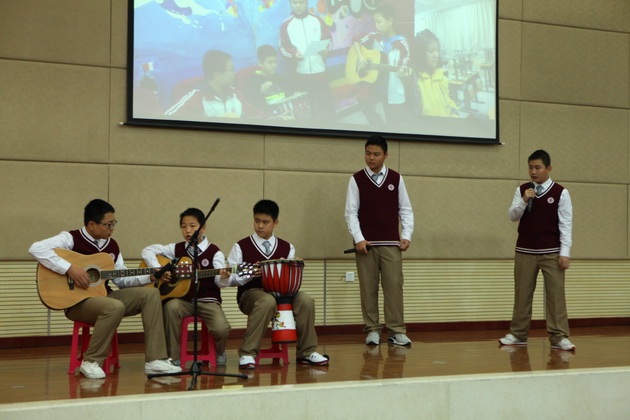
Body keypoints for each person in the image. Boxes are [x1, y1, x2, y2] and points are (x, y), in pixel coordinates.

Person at [28, 199, 182, 379]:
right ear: (92, 225)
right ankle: (91, 361)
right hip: (77, 303)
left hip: (104, 297)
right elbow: (36, 248)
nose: (112, 228)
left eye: (114, 223)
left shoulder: (112, 246)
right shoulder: (70, 239)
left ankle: (155, 360)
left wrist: (150, 277)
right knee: (114, 306)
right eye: (108, 224)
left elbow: (122, 280)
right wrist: (70, 269)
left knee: (151, 294)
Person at [221, 199, 329, 369]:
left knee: (306, 300)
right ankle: (248, 353)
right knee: (267, 301)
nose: (260, 226)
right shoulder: (241, 246)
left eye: (265, 222)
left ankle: (306, 352)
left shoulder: (287, 247)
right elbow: (231, 280)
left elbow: (290, 279)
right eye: (257, 221)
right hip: (250, 295)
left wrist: (296, 267)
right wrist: (249, 276)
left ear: (275, 223)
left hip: (282, 295)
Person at [499, 150, 575, 351]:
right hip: (524, 251)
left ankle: (559, 336)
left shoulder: (560, 192)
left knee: (555, 295)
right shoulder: (522, 190)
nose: (533, 172)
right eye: (530, 167)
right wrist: (524, 200)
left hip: (552, 252)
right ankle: (518, 334)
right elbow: (512, 216)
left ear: (548, 168)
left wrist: (565, 252)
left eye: (537, 167)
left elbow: (566, 224)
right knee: (522, 294)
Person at [344, 134, 414, 346]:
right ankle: (372, 330)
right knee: (368, 289)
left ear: (385, 155)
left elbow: (405, 209)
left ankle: (396, 330)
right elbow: (351, 213)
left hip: (392, 244)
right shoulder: (356, 179)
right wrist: (359, 239)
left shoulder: (396, 178)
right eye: (368, 153)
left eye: (376, 154)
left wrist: (406, 235)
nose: (371, 158)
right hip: (366, 246)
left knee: (394, 288)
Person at [141, 208, 231, 366]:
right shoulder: (176, 249)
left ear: (203, 228)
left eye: (192, 226)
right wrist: (158, 269)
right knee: (170, 307)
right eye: (183, 226)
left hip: (207, 301)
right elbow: (148, 250)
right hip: (184, 301)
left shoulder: (214, 252)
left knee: (221, 328)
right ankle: (173, 357)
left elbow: (219, 282)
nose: (187, 230)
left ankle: (219, 351)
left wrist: (224, 277)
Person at [351, 5, 411, 126]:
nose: (376, 26)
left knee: (393, 121)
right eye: (375, 22)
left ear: (390, 21)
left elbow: (404, 69)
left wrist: (404, 76)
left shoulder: (401, 43)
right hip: (377, 84)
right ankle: (378, 125)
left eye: (379, 22)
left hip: (391, 88)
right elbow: (356, 40)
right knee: (362, 98)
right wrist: (361, 57)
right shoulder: (375, 36)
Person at [279, 0, 334, 121]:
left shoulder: (317, 20)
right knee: (307, 110)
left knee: (326, 106)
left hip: (320, 72)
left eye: (301, 2)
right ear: (291, 3)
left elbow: (328, 40)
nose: (298, 6)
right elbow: (283, 47)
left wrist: (326, 51)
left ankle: (331, 128)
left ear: (307, 3)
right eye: (295, 3)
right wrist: (294, 54)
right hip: (301, 75)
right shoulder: (286, 24)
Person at [165, 49, 242, 119]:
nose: (235, 73)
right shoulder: (196, 99)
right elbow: (167, 119)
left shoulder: (235, 94)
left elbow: (249, 117)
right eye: (232, 70)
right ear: (217, 75)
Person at [412, 29, 459, 117]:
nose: (436, 55)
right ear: (420, 53)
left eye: (437, 50)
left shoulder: (441, 76)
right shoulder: (416, 81)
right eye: (431, 51)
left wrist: (455, 115)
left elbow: (449, 102)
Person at [242, 45, 294, 119]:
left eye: (275, 61)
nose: (274, 65)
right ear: (260, 63)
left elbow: (291, 96)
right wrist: (261, 92)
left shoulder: (282, 79)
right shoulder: (252, 83)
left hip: (288, 116)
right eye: (270, 62)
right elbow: (252, 109)